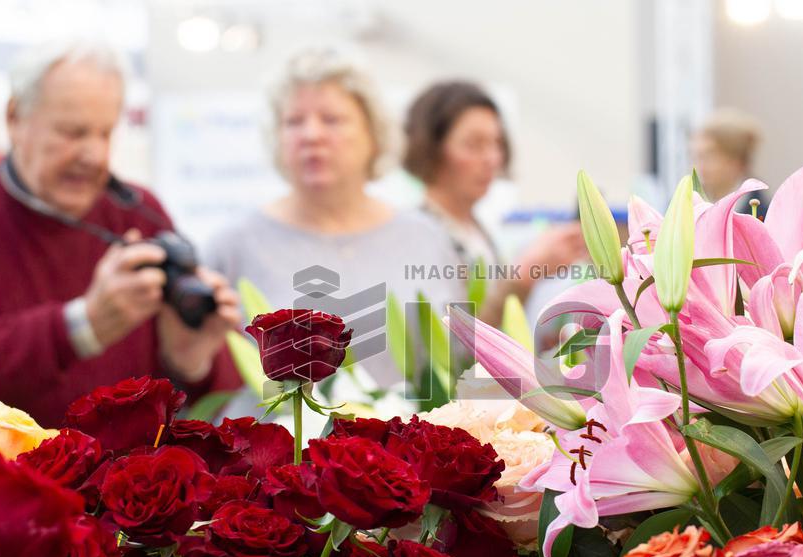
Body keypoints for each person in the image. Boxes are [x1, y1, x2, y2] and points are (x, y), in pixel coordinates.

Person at [0, 41, 240, 425]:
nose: (94, 155)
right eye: (72, 132)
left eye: (105, 133)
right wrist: (83, 326)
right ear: (15, 119)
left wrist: (191, 360)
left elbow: (220, 396)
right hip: (4, 477)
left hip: (132, 480)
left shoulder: (136, 211)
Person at [205, 47, 463, 394]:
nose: (311, 135)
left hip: (405, 443)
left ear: (373, 134)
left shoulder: (427, 238)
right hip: (282, 444)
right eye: (294, 121)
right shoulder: (233, 245)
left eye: (332, 119)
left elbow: (460, 358)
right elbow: (204, 368)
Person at [403, 80, 586, 324]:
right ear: (430, 149)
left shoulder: (475, 229)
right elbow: (450, 345)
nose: (492, 158)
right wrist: (524, 275)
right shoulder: (416, 236)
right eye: (474, 144)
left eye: (496, 143)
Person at [690, 108, 765, 215]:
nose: (699, 166)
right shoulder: (686, 206)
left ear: (736, 162)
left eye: (709, 157)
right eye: (697, 157)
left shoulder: (763, 214)